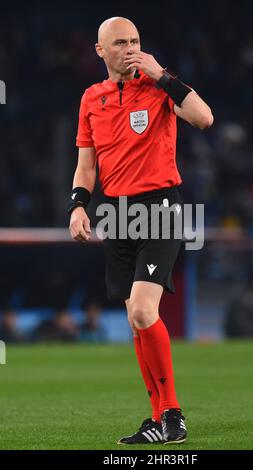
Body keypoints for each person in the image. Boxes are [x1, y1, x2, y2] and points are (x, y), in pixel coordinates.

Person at [68, 16, 213, 444]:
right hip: (116, 213)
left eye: (135, 41)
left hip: (161, 206)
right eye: (120, 43)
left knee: (143, 311)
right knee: (135, 320)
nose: (129, 49)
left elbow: (204, 118)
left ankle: (173, 415)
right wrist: (78, 207)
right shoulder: (91, 98)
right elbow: (86, 166)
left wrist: (162, 75)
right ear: (101, 51)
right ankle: (158, 417)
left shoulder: (158, 86)